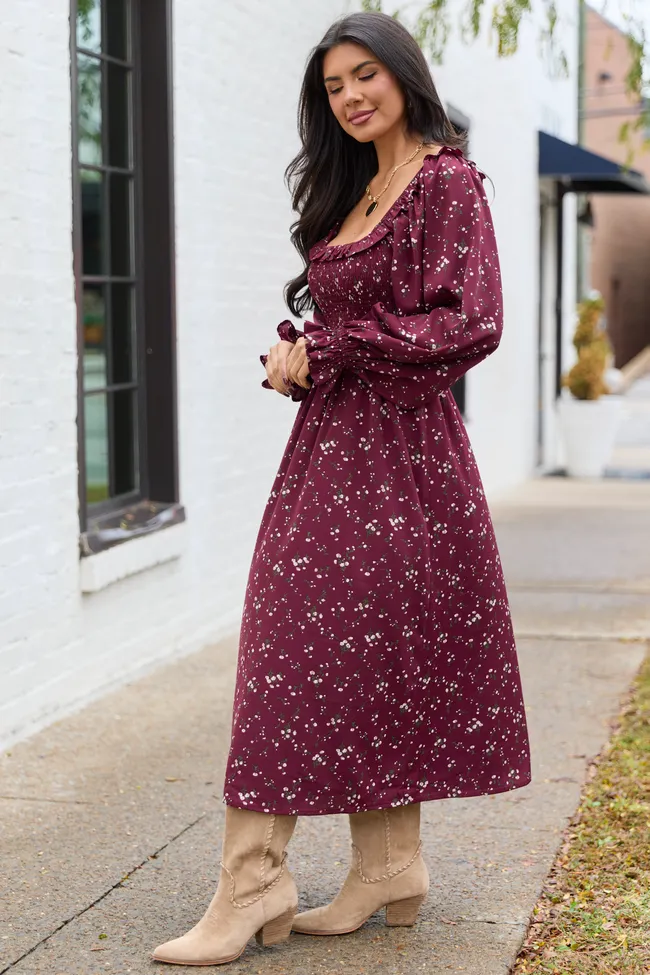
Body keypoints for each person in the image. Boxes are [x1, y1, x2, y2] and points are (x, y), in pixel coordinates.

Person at [152, 10, 531, 967]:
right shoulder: (358, 187)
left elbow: (472, 324)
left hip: (407, 463)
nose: (352, 96)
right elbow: (352, 332)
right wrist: (300, 357)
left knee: (299, 639)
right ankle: (388, 867)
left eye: (366, 75)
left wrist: (336, 342)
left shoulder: (446, 181)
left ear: (404, 74)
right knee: (350, 646)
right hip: (333, 449)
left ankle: (253, 881)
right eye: (333, 87)